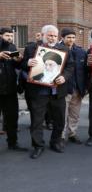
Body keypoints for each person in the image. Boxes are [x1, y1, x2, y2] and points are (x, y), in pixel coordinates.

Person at [22, 25, 75, 159]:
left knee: (59, 120)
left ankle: (55, 142)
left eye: (54, 36)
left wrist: (65, 76)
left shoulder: (64, 49)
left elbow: (70, 66)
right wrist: (27, 63)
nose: (52, 38)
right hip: (38, 92)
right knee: (37, 121)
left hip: (57, 91)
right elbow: (21, 65)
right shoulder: (31, 48)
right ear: (43, 35)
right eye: (49, 35)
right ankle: (38, 146)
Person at [0, 27, 27, 151]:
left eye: (11, 36)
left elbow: (16, 66)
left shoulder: (12, 47)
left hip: (10, 89)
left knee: (12, 117)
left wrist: (19, 60)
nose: (10, 38)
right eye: (7, 35)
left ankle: (13, 143)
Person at [60, 28, 87, 144]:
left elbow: (85, 71)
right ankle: (60, 136)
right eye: (68, 37)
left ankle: (72, 134)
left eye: (73, 37)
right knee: (62, 115)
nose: (71, 40)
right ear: (62, 38)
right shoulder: (57, 50)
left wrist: (84, 87)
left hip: (77, 89)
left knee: (74, 114)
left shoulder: (81, 51)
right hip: (63, 89)